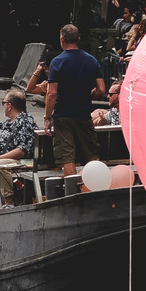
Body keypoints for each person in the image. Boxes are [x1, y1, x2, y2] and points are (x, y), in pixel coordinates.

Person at [44, 24, 106, 177]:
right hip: (84, 113)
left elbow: (52, 94)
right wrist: (90, 95)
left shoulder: (57, 62)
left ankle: (71, 191)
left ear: (62, 39)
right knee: (92, 154)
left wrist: (47, 117)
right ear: (78, 39)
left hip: (63, 115)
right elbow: (102, 89)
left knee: (67, 157)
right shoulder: (91, 60)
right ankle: (97, 189)